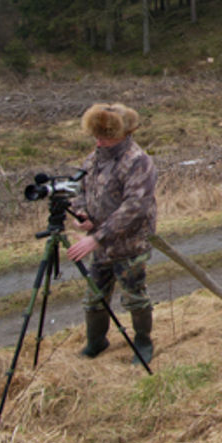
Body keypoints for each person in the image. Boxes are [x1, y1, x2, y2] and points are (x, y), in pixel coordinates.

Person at [67, 102, 157, 364]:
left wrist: (97, 236)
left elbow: (135, 207)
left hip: (130, 244)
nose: (99, 142)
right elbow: (79, 189)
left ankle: (142, 342)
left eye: (105, 137)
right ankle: (96, 341)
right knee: (94, 296)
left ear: (124, 134)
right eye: (96, 136)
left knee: (135, 296)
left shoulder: (138, 161)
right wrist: (81, 214)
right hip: (101, 245)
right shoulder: (94, 157)